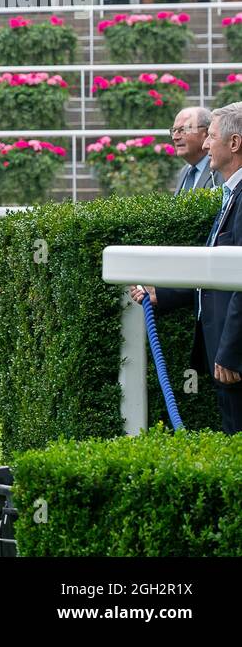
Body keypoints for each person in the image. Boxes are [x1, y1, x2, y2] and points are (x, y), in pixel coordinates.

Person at [130, 102, 242, 434]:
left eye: (212, 137)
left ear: (234, 144)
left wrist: (232, 349)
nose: (206, 145)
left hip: (234, 356)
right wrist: (161, 294)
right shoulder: (230, 193)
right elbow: (214, 274)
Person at [171, 106, 220, 194]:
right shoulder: (185, 171)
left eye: (184, 129)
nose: (175, 137)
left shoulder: (221, 170)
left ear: (207, 132)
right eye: (174, 131)